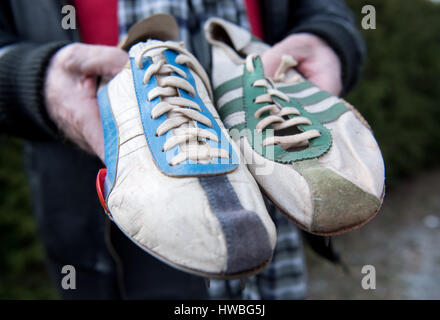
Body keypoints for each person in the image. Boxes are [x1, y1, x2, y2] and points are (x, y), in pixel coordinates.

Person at [0, 0, 365, 299]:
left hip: (269, 194)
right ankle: (138, 83)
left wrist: (328, 39)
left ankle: (233, 61)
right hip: (115, 229)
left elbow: (321, 8)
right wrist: (34, 79)